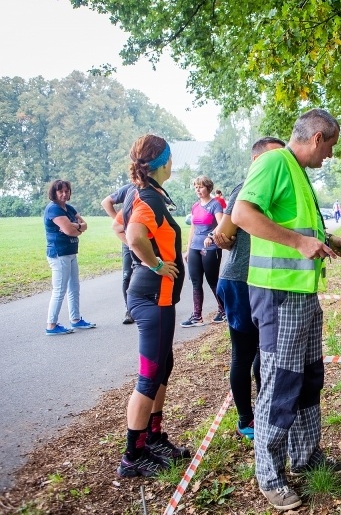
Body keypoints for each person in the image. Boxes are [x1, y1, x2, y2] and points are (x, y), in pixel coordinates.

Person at [232, 108, 341, 511]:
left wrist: (326, 239)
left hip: (302, 293)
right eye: (331, 146)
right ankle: (269, 474)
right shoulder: (274, 161)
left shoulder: (296, 170)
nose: (331, 155)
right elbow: (242, 214)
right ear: (318, 138)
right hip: (278, 295)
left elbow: (295, 224)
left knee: (307, 378)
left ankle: (305, 456)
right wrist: (300, 243)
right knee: (280, 383)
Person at [112, 134, 190, 477]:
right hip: (152, 297)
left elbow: (118, 226)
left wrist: (146, 257)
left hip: (158, 297)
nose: (173, 163)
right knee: (149, 374)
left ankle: (153, 438)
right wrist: (155, 263)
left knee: (162, 366)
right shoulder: (147, 198)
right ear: (162, 162)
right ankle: (133, 455)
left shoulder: (144, 194)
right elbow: (132, 235)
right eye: (171, 158)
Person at [212, 136, 286, 441]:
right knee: (244, 352)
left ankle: (264, 409)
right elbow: (223, 233)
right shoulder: (244, 188)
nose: (281, 164)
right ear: (257, 160)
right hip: (239, 280)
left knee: (262, 350)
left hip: (262, 279)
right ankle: (246, 419)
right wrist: (222, 236)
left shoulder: (277, 189)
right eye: (274, 157)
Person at [43, 179, 96, 335]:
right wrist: (77, 228)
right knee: (60, 290)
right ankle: (51, 325)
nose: (64, 194)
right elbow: (69, 231)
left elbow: (85, 225)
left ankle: (76, 319)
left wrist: (77, 226)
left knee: (74, 287)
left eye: (67, 191)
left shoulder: (69, 208)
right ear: (54, 193)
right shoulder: (53, 209)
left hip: (71, 252)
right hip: (59, 254)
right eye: (60, 191)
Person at [181, 176, 225, 327]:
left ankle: (223, 310)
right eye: (196, 187)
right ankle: (197, 316)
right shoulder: (195, 206)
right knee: (196, 282)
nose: (198, 190)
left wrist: (211, 236)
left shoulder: (215, 205)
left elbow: (221, 224)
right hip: (195, 247)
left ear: (208, 187)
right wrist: (188, 250)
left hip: (210, 248)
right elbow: (192, 229)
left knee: (213, 281)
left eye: (200, 187)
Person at [102, 183, 136, 324]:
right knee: (127, 274)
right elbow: (106, 202)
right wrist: (120, 221)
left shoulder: (153, 187)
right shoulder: (130, 188)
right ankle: (129, 310)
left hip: (148, 236)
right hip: (127, 237)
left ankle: (148, 307)